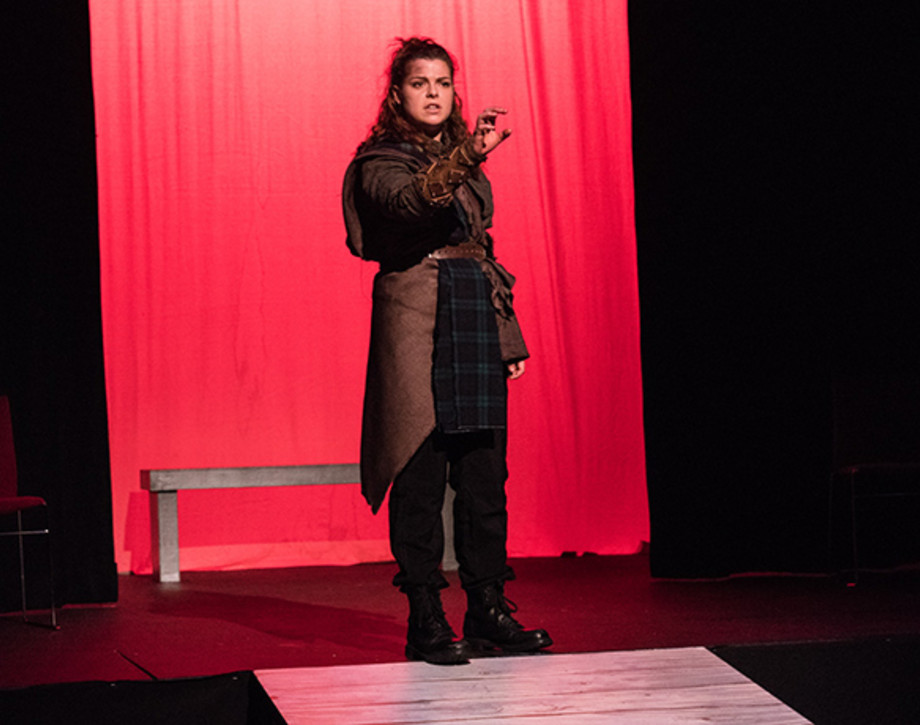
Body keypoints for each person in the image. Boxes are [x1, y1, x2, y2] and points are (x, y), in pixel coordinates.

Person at [342, 37, 551, 665]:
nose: (434, 93)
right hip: (415, 325)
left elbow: (482, 254)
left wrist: (507, 336)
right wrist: (468, 154)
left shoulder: (464, 167)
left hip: (472, 321)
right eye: (420, 83)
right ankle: (426, 618)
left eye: (443, 83)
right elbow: (415, 202)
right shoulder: (380, 160)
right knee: (422, 476)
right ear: (397, 94)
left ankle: (487, 608)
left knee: (486, 476)